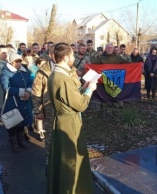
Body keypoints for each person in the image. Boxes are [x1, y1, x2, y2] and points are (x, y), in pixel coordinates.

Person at [47, 42, 97, 194]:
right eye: (72, 55)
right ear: (66, 57)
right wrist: (90, 89)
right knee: (72, 161)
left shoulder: (55, 74)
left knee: (61, 161)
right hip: (69, 124)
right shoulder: (63, 78)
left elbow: (67, 97)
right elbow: (80, 105)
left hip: (61, 120)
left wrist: (82, 88)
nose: (74, 58)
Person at [0, 53, 33, 152]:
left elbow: (30, 81)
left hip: (24, 101)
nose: (19, 64)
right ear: (11, 62)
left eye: (20, 61)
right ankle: (14, 142)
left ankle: (21, 140)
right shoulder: (6, 72)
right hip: (13, 101)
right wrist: (22, 92)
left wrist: (28, 91)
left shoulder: (24, 70)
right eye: (16, 62)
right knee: (14, 122)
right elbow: (6, 87)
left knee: (22, 121)